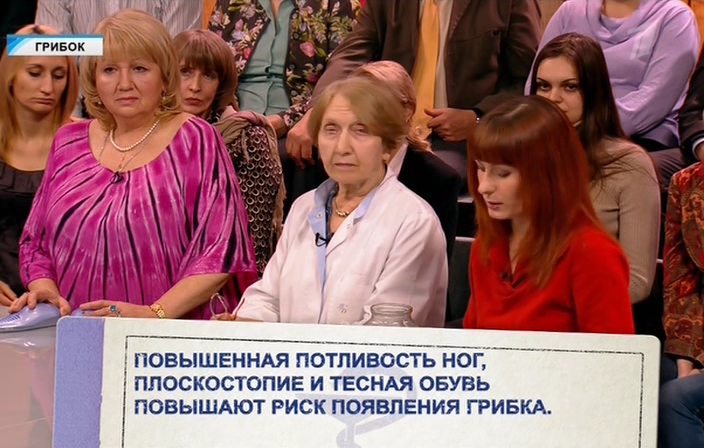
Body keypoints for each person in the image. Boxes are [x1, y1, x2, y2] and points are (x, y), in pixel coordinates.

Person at [10, 9, 257, 320]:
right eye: (109, 69)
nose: (124, 83)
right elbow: (36, 241)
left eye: (140, 68)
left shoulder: (195, 138)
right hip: (75, 330)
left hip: (167, 335)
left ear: (164, 75)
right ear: (93, 77)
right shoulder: (67, 141)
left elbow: (221, 249)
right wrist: (44, 288)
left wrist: (153, 314)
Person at [216, 77, 448, 326]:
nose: (342, 147)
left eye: (361, 130)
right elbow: (269, 297)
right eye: (331, 130)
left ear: (387, 147)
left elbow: (386, 329)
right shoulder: (304, 206)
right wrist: (246, 324)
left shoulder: (414, 222)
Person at [285, 0, 542, 192]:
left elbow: (528, 79)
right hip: (387, 128)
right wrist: (317, 112)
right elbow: (350, 56)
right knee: (303, 159)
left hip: (458, 138)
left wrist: (477, 118)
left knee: (423, 174)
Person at [463, 95, 634, 334]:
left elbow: (612, 355)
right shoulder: (485, 246)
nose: (484, 187)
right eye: (481, 168)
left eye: (502, 173)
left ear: (548, 174)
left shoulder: (592, 253)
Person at [529, 33, 660, 305]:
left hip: (586, 316)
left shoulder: (630, 165)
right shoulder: (519, 156)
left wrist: (553, 308)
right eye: (543, 86)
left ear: (594, 92)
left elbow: (636, 281)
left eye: (570, 87)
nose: (553, 98)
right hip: (518, 312)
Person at [531, 0, 700, 184]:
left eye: (571, 87)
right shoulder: (570, 10)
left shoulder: (674, 16)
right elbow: (538, 80)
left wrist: (588, 129)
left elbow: (655, 99)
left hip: (640, 139)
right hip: (559, 132)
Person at [173, 29, 285, 275]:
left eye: (208, 75)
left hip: (225, 276)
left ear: (221, 84)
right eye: (185, 72)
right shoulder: (148, 132)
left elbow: (253, 243)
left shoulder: (247, 139)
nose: (195, 86)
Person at [0, 24, 79, 306]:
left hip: (65, 300)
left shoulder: (87, 142)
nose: (48, 88)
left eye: (59, 76)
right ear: (10, 75)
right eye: (35, 73)